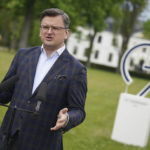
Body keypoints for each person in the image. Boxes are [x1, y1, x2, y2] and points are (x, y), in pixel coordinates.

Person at [0, 8, 87, 150]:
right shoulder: (23, 55)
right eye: (45, 27)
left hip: (42, 142)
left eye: (55, 28)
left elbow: (79, 111)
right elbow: (4, 93)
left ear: (66, 33)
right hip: (7, 139)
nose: (49, 31)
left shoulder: (76, 70)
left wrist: (67, 119)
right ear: (40, 30)